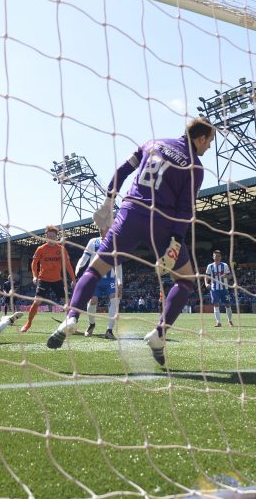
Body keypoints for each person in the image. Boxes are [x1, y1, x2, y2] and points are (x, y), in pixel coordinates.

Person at [47, 117, 215, 366]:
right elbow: (185, 209)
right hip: (162, 222)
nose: (208, 147)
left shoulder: (151, 143)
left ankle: (72, 317)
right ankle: (159, 334)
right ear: (201, 139)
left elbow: (122, 170)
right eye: (209, 142)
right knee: (186, 281)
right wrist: (176, 241)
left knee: (95, 269)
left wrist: (107, 201)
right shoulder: (195, 166)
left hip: (130, 213)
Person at [20, 225, 76, 332]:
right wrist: (35, 276)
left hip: (57, 280)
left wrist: (73, 280)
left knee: (67, 303)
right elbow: (34, 263)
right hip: (43, 280)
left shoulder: (61, 249)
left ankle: (72, 325)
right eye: (49, 236)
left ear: (56, 237)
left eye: (53, 236)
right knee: (37, 302)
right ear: (46, 237)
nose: (51, 238)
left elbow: (68, 266)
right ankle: (28, 324)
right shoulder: (40, 249)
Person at [74, 227, 122, 339]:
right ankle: (91, 324)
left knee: (115, 299)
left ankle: (109, 330)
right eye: (99, 226)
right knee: (93, 300)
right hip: (95, 278)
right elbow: (84, 258)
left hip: (110, 279)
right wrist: (77, 270)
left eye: (103, 226)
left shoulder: (115, 243)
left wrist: (120, 282)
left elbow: (118, 265)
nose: (101, 229)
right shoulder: (93, 241)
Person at [204, 250, 234, 327]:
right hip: (214, 288)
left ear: (220, 257)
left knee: (227, 305)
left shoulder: (225, 265)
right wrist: (206, 283)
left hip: (224, 288)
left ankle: (230, 321)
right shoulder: (210, 266)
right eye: (215, 256)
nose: (216, 257)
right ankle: (218, 322)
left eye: (218, 256)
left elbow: (230, 276)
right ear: (213, 257)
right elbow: (206, 276)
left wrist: (226, 276)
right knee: (216, 304)